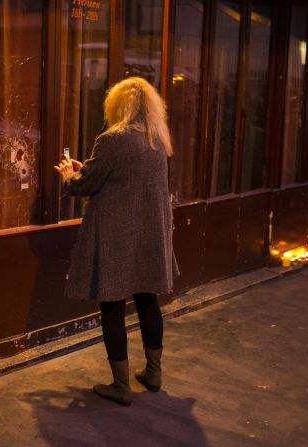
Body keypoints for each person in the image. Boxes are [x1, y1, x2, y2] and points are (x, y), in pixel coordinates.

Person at [54, 77, 179, 406]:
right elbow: (120, 177)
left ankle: (120, 385)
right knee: (147, 301)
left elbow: (86, 184)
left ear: (117, 105)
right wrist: (89, 170)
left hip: (116, 238)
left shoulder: (114, 139)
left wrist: (70, 174)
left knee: (111, 305)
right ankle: (153, 373)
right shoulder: (156, 140)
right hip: (148, 237)